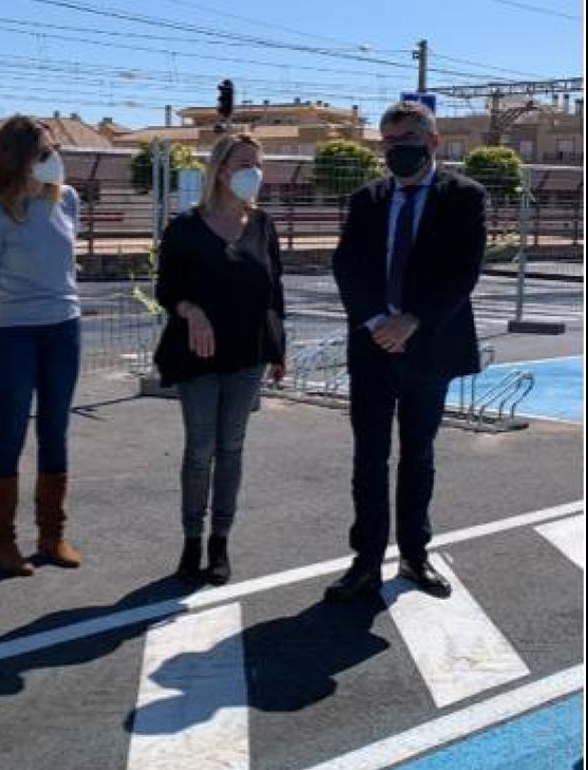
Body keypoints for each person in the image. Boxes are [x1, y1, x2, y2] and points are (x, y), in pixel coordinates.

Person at [326, 101, 487, 602]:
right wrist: (378, 321)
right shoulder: (367, 199)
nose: (396, 151)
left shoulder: (464, 196)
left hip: (429, 348)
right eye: (389, 143)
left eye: (407, 140)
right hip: (373, 347)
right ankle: (366, 561)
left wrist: (412, 319)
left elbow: (464, 271)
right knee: (368, 457)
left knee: (418, 455)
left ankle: (415, 554)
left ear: (433, 142)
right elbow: (347, 267)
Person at [154, 133, 287, 586]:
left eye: (259, 162)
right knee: (199, 450)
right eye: (244, 163)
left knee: (232, 449)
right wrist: (191, 312)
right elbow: (167, 291)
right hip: (198, 356)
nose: (254, 171)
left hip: (247, 356)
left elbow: (275, 292)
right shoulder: (186, 228)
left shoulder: (264, 225)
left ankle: (220, 543)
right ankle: (191, 543)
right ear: (221, 170)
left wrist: (278, 349)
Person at [0, 116, 83, 577]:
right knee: (11, 432)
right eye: (42, 151)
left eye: (53, 149)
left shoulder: (68, 201)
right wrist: (1, 320)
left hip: (65, 328)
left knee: (55, 428)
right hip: (12, 333)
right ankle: (2, 543)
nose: (53, 157)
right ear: (18, 160)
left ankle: (52, 534)